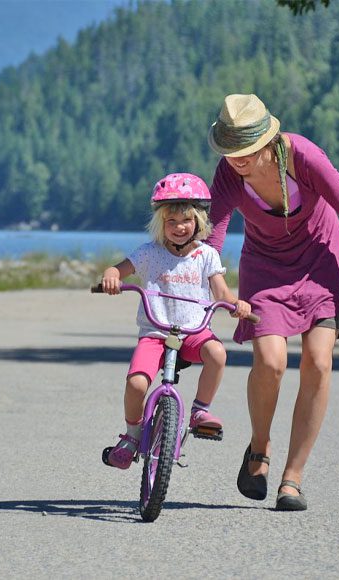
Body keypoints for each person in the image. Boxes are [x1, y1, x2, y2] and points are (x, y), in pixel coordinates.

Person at [205, 94, 339, 510]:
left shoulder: (303, 157)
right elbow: (212, 236)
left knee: (317, 360)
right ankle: (259, 449)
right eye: (231, 151)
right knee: (271, 360)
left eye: (244, 151)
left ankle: (292, 477)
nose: (237, 160)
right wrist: (214, 288)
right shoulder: (228, 175)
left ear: (267, 140)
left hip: (322, 260)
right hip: (265, 266)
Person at [100, 172, 253, 469]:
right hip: (156, 332)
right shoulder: (149, 253)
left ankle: (199, 410)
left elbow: (221, 291)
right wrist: (111, 276)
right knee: (136, 382)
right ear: (160, 224)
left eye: (186, 220)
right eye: (171, 222)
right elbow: (119, 269)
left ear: (198, 222)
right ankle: (132, 436)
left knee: (217, 354)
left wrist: (237, 305)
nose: (179, 227)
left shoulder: (206, 255)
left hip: (194, 331)